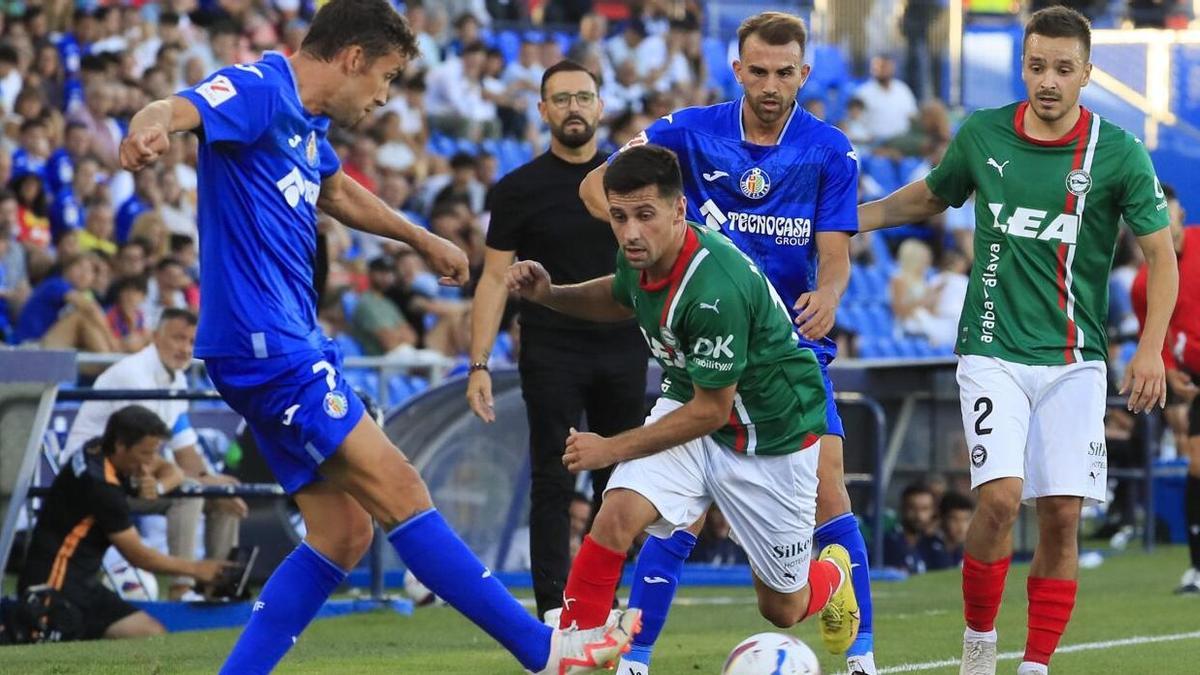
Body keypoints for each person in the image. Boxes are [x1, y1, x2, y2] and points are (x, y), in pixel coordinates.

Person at [118, 1, 638, 672]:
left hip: (278, 342)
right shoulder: (259, 88)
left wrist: (419, 238)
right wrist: (147, 128)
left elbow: (336, 191)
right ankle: (543, 650)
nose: (384, 97)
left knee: (343, 533)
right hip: (267, 345)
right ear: (353, 58)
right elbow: (174, 107)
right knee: (401, 488)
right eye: (386, 77)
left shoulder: (303, 123)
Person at [857, 8, 1178, 674]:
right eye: (1037, 66)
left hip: (1075, 358)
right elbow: (932, 195)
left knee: (1061, 512)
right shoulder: (983, 133)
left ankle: (1034, 664)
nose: (1049, 81)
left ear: (1088, 73)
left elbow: (1161, 256)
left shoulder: (1117, 152)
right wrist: (857, 218)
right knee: (1001, 498)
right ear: (1022, 65)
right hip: (992, 348)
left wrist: (1150, 346)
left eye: (1064, 69)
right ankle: (979, 643)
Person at [578, 12, 876, 674]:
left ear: (804, 72)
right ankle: (633, 658)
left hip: (786, 358)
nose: (771, 85)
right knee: (664, 512)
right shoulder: (688, 132)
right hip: (699, 349)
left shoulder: (830, 149)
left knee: (830, 491)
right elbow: (597, 185)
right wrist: (646, 227)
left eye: (784, 72)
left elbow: (835, 254)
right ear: (736, 69)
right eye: (758, 71)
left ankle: (859, 653)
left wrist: (829, 295)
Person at [508, 143, 859, 666]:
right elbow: (620, 294)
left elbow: (711, 412)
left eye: (645, 215)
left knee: (783, 608)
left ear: (678, 210)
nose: (629, 231)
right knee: (616, 514)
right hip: (693, 404)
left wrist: (609, 448)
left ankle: (833, 574)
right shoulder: (642, 252)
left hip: (771, 435)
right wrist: (552, 295)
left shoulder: (714, 287)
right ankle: (570, 657)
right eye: (620, 215)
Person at [467, 58, 648, 621]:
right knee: (552, 475)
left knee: (620, 479)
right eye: (562, 98)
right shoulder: (518, 189)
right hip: (550, 349)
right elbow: (494, 278)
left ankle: (604, 600)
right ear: (542, 110)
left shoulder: (630, 179)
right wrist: (477, 364)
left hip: (624, 345)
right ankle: (553, 607)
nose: (574, 107)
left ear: (600, 106)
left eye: (584, 97)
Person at [64, 308, 245, 600]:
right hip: (91, 479)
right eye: (178, 338)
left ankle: (218, 587)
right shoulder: (134, 374)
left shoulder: (177, 379)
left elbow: (184, 450)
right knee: (190, 492)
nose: (185, 348)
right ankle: (182, 589)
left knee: (222, 493)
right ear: (155, 337)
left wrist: (215, 482)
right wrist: (201, 482)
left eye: (191, 341)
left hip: (130, 477)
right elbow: (142, 456)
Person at [17, 406, 229, 640]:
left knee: (151, 633)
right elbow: (139, 556)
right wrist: (197, 569)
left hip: (84, 584)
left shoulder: (98, 448)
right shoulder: (102, 488)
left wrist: (157, 487)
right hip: (52, 587)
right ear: (121, 446)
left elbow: (169, 469)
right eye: (144, 454)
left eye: (153, 453)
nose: (148, 464)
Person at [1129, 183, 1200, 594]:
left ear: (1181, 215)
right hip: (1194, 379)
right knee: (1196, 466)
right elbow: (1154, 335)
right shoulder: (1143, 283)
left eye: (1165, 213)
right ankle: (1195, 567)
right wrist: (1170, 373)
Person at [882, 482, 939, 574]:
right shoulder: (889, 543)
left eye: (925, 509)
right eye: (913, 508)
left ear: (933, 511)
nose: (919, 516)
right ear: (902, 508)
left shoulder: (933, 544)